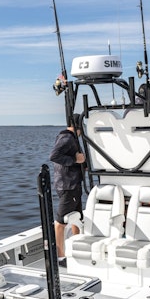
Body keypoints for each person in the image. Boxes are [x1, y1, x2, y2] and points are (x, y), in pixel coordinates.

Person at [49, 114, 86, 267]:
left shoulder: (71, 138)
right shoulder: (67, 138)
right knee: (61, 222)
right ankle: (60, 257)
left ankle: (77, 249)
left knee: (77, 217)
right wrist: (75, 160)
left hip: (73, 185)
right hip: (68, 186)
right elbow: (54, 156)